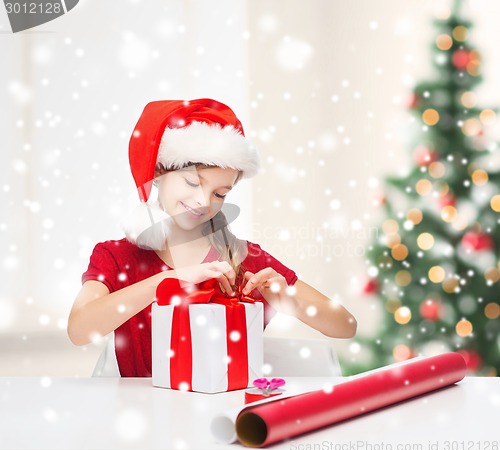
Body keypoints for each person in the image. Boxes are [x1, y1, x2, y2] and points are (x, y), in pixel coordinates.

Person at [67, 98, 357, 377]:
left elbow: (346, 325)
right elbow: (79, 330)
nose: (204, 201)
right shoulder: (117, 257)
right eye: (193, 182)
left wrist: (290, 301)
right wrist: (167, 282)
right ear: (158, 173)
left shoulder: (245, 259)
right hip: (146, 416)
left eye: (220, 194)